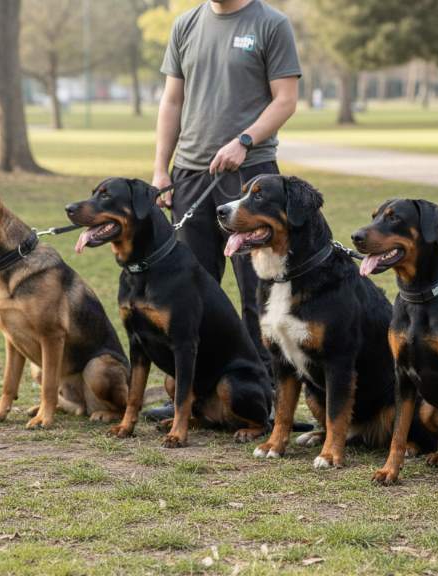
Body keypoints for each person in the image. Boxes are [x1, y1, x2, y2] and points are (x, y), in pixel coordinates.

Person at [145, 0, 301, 419]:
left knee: (257, 294)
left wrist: (244, 141)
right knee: (189, 293)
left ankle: (262, 393)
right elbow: (172, 101)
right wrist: (162, 168)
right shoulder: (186, 24)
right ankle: (189, 393)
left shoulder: (271, 24)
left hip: (251, 176)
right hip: (191, 175)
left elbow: (285, 100)